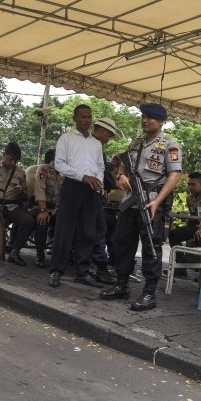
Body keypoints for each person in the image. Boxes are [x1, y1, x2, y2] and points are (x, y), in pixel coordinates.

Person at [100, 103, 182, 311]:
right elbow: (122, 164)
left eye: (151, 118)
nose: (145, 121)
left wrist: (158, 201)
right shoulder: (135, 143)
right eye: (143, 117)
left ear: (161, 122)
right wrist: (121, 175)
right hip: (129, 203)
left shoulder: (170, 145)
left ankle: (149, 293)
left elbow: (174, 175)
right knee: (122, 243)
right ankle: (122, 285)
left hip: (152, 203)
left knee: (151, 248)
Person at [47, 104, 104, 288]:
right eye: (82, 116)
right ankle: (56, 270)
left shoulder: (96, 143)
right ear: (75, 118)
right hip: (72, 187)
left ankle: (83, 272)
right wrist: (82, 177)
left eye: (89, 117)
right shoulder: (66, 138)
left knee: (88, 232)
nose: (86, 120)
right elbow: (59, 164)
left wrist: (98, 180)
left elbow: (101, 166)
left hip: (91, 190)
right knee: (64, 230)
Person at [168, 172, 201, 277]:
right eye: (189, 184)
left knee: (200, 237)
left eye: (193, 184)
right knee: (173, 234)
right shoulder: (190, 198)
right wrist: (184, 218)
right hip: (198, 226)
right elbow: (195, 217)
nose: (190, 187)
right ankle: (181, 266)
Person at [89, 117, 119, 285]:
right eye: (109, 136)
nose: (109, 140)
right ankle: (101, 269)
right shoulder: (96, 145)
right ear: (102, 131)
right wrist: (116, 184)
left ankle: (88, 267)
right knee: (100, 232)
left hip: (89, 195)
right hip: (94, 195)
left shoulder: (90, 144)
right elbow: (105, 175)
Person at [32, 148, 62, 268]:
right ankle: (40, 255)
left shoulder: (67, 173)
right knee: (42, 221)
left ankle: (64, 255)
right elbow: (40, 190)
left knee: (69, 223)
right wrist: (43, 210)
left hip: (56, 208)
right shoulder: (44, 169)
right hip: (40, 206)